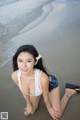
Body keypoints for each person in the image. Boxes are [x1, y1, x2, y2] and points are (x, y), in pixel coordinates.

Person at [11, 44, 80, 120]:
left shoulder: (43, 78)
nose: (23, 65)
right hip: (38, 87)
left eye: (28, 61)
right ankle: (37, 93)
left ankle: (68, 92)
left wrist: (49, 109)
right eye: (20, 60)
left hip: (50, 85)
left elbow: (46, 98)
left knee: (57, 115)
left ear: (35, 61)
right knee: (31, 111)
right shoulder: (14, 76)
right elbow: (23, 91)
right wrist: (28, 104)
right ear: (16, 60)